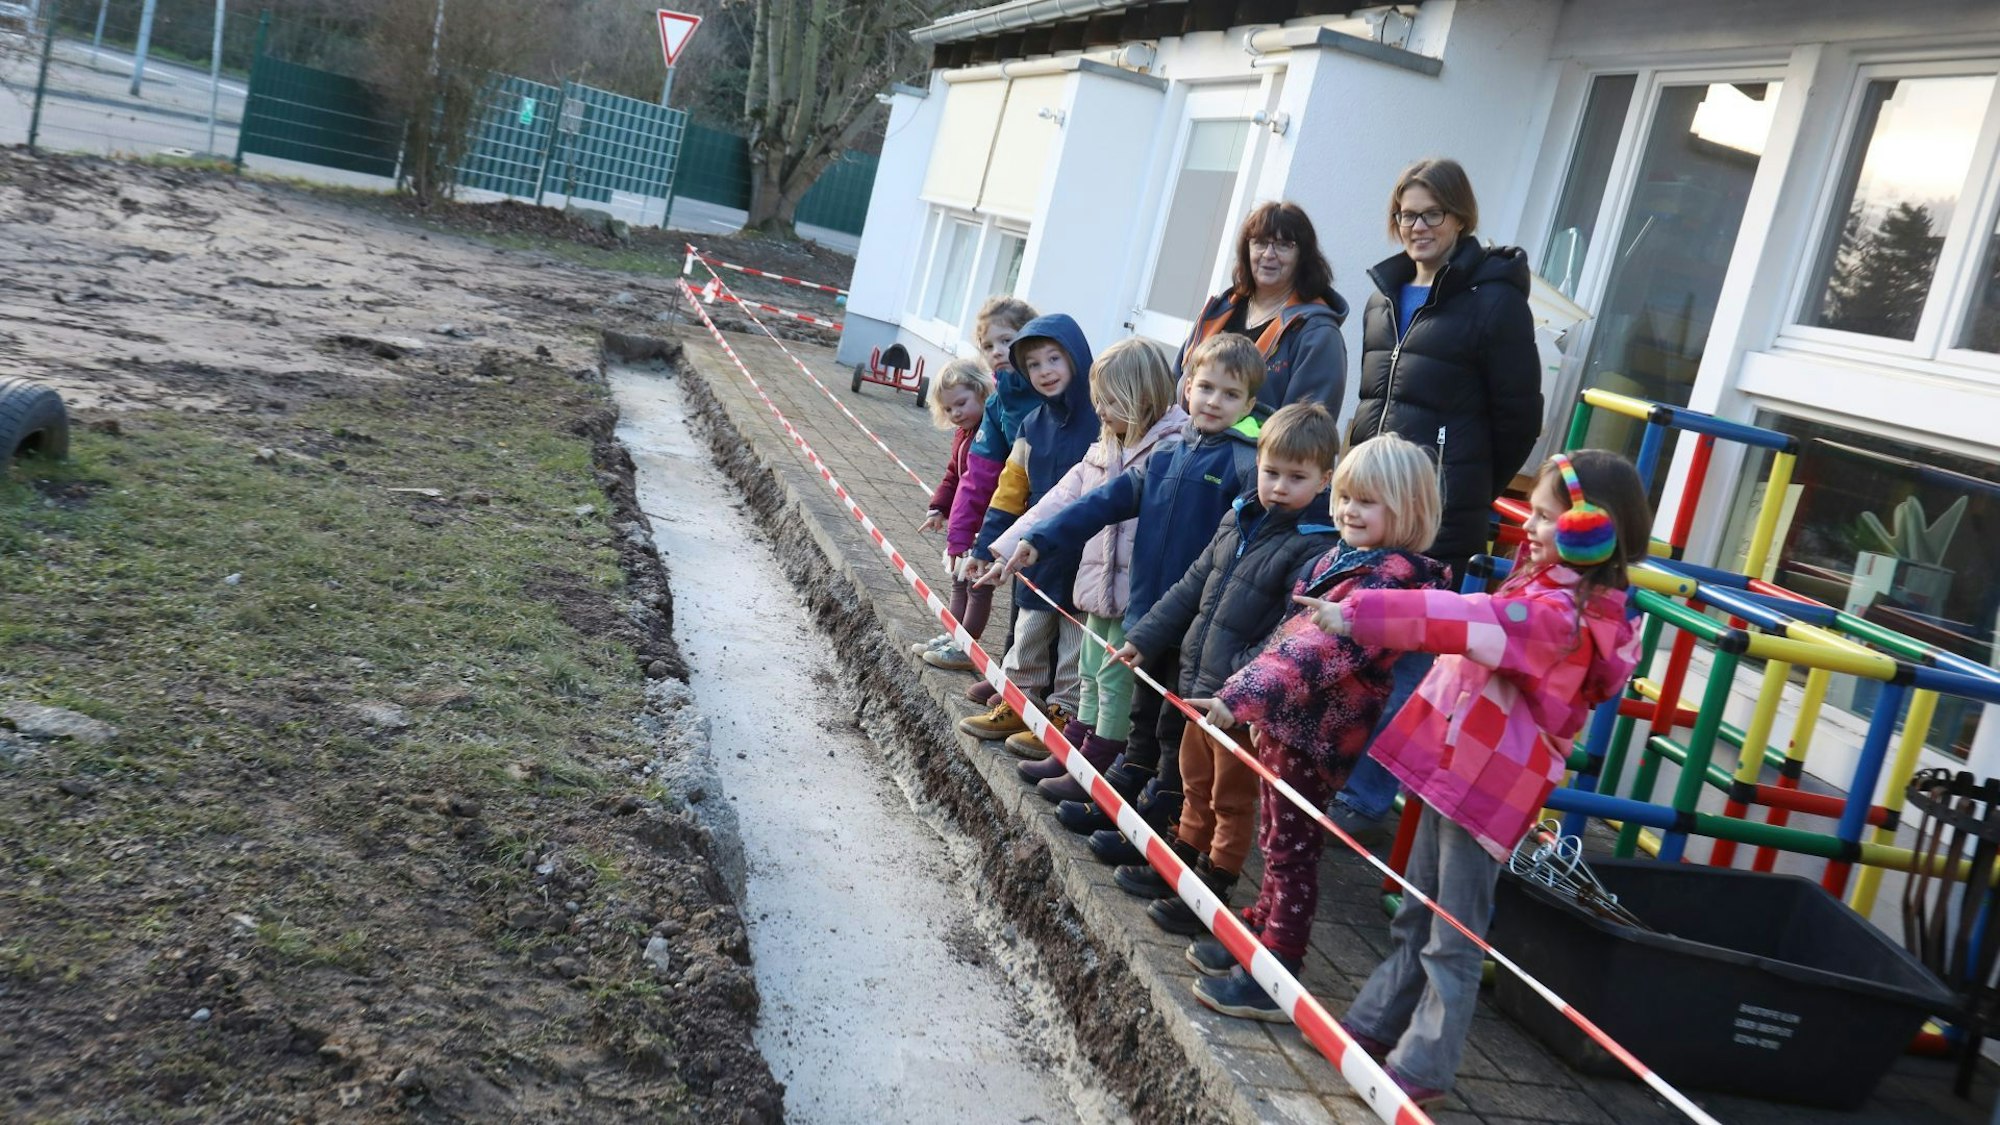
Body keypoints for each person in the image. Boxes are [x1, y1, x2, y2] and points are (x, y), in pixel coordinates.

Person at [1316, 450, 1649, 1106]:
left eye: (1550, 517)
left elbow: (1464, 621)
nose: (1531, 524)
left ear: (1593, 527)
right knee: (1420, 910)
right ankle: (1378, 1022)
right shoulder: (1545, 590)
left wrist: (1365, 612)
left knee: (1454, 932)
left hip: (1486, 788)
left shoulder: (1562, 617)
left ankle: (1427, 1062)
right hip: (1456, 770)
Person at [1182, 435, 1450, 1020]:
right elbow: (1288, 637)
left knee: (1293, 851)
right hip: (1289, 723)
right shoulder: (1343, 559)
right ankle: (1261, 927)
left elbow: (1314, 651)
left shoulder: (1391, 583)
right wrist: (1252, 698)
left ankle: (1279, 967)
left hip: (1319, 734)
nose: (1350, 510)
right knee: (1276, 838)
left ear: (1407, 511)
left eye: (1369, 502)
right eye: (1347, 497)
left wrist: (1240, 696)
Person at [1333, 157, 1546, 845]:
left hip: (1435, 520)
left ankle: (1364, 799)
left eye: (1430, 214)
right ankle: (1333, 778)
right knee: (1352, 643)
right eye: (1405, 214)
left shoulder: (1494, 301)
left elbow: (1518, 416)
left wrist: (1462, 487)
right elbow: (1371, 403)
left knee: (1411, 658)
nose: (1415, 227)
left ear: (1461, 217)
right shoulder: (1380, 296)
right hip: (1369, 504)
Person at [989, 333, 1266, 853]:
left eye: (1229, 395)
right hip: (1145, 610)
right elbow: (1101, 502)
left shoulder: (1243, 466)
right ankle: (1119, 797)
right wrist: (1037, 542)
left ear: (1249, 405)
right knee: (1140, 714)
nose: (1213, 401)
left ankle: (1150, 815)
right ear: (1186, 387)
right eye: (1205, 387)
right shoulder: (1167, 455)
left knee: (1167, 727)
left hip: (1191, 620)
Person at [1110, 403, 1344, 935]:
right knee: (1194, 781)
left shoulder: (1314, 547)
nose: (1279, 486)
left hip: (1240, 700)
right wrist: (1146, 637)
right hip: (1198, 682)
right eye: (1271, 472)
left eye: (1297, 477)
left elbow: (1287, 633)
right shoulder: (1240, 514)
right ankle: (1180, 860)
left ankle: (1213, 885)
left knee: (1232, 799)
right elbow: (1194, 584)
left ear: (1325, 478)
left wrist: (1243, 688)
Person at [988, 338, 1186, 796]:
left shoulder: (1173, 449)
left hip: (1137, 593)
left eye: (1111, 402)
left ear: (1144, 396)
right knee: (1090, 672)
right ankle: (1077, 746)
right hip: (1098, 587)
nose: (1100, 412)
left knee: (1115, 681)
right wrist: (1006, 549)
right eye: (1098, 401)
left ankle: (1098, 763)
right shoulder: (1103, 448)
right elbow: (1056, 501)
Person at [957, 315, 1098, 752]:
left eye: (1055, 358)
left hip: (1087, 552)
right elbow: (1008, 491)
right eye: (1033, 365)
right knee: (1028, 631)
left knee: (1075, 642)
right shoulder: (1031, 425)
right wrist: (985, 544)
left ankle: (1063, 714)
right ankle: (1017, 703)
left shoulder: (1102, 420)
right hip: (1034, 552)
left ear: (1077, 357)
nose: (1046, 371)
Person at [1176, 200, 1350, 419]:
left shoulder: (1318, 334)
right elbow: (1177, 386)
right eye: (1259, 242)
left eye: (1284, 245)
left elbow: (1305, 433)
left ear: (1303, 256)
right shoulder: (1219, 310)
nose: (1268, 254)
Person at [947, 296, 1040, 703]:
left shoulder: (1046, 396)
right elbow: (979, 475)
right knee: (1019, 597)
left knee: (1040, 605)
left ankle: (1035, 690)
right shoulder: (999, 401)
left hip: (1046, 514)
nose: (998, 351)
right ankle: (1008, 671)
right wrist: (963, 538)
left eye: (1008, 340)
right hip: (1012, 514)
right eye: (988, 345)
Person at [913, 359, 999, 671]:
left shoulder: (992, 433)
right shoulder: (962, 435)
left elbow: (985, 483)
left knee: (977, 586)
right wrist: (938, 507)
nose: (956, 414)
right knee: (957, 581)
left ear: (982, 392)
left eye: (961, 404)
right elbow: (954, 474)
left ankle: (967, 646)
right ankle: (954, 635)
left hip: (987, 524)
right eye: (949, 409)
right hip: (963, 524)